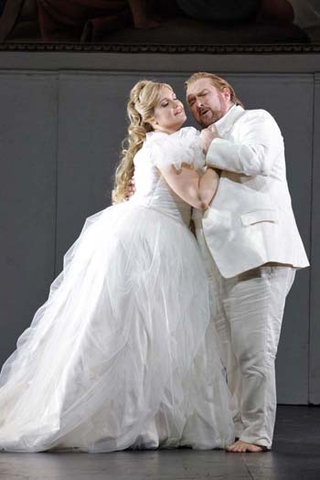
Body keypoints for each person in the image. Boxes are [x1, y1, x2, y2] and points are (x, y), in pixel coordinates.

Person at [0, 80, 234, 453]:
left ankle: (149, 418)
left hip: (153, 234)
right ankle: (126, 418)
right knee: (136, 328)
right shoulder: (164, 144)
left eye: (175, 99)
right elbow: (196, 196)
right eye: (164, 105)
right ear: (150, 120)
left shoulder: (170, 143)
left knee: (147, 328)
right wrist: (218, 157)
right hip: (149, 239)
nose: (176, 106)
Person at [185, 72, 309, 453]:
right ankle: (243, 429)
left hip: (259, 252)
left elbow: (256, 159)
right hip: (220, 259)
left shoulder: (254, 120)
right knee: (233, 355)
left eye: (203, 94)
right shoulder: (207, 140)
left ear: (226, 93)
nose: (196, 104)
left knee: (255, 351)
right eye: (190, 100)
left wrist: (211, 144)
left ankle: (256, 433)